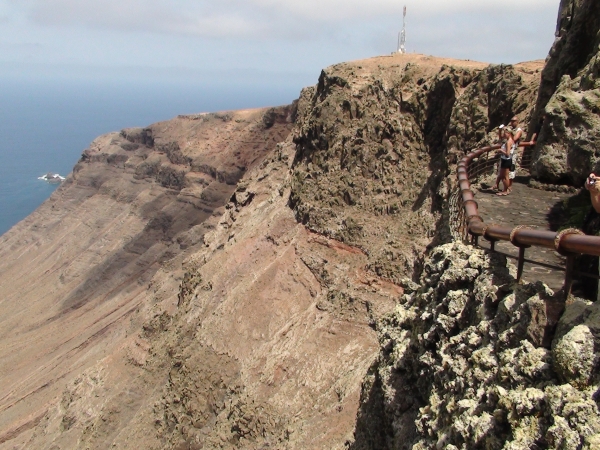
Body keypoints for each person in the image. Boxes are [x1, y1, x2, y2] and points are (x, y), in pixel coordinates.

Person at [495, 126, 514, 195]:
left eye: (506, 133)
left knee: (505, 176)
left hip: (506, 160)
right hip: (508, 160)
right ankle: (505, 190)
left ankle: (505, 191)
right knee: (504, 176)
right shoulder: (511, 140)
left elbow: (507, 154)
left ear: (509, 133)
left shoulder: (508, 142)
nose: (505, 134)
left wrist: (501, 150)